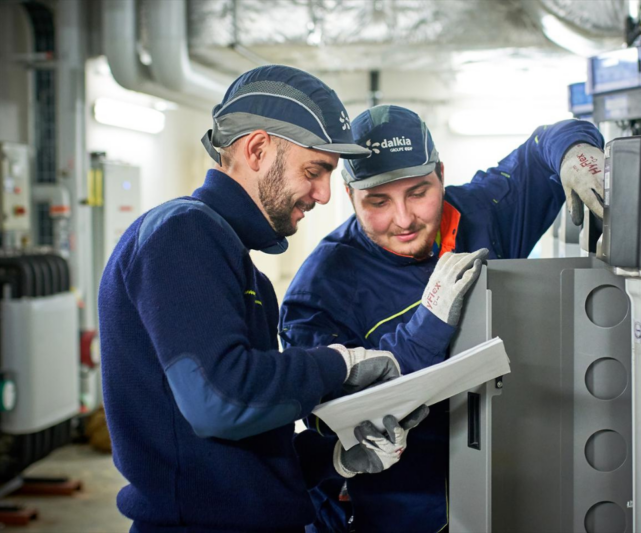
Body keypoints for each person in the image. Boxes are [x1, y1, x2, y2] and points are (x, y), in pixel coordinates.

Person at [98, 68, 429, 533]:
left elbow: (237, 449)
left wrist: (334, 456)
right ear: (257, 150)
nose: (323, 194)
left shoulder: (242, 268)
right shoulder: (182, 233)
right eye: (314, 171)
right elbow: (218, 400)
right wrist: (340, 363)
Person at [279, 105, 606, 532]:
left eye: (418, 193)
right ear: (350, 195)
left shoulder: (485, 212)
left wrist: (576, 152)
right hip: (393, 514)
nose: (404, 219)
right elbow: (328, 418)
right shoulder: (319, 290)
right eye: (378, 201)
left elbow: (547, 141)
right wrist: (427, 326)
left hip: (503, 490)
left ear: (441, 174)